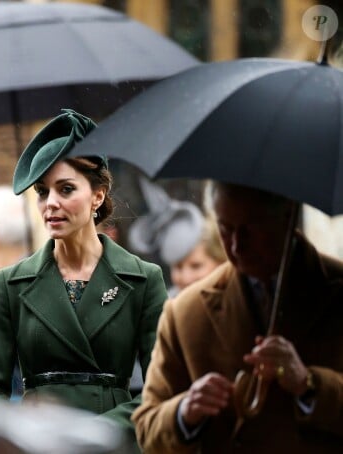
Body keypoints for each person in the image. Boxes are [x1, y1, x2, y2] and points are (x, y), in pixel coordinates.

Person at [0, 109, 168, 442]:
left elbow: (161, 388)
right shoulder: (11, 283)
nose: (51, 204)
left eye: (65, 189)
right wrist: (20, 431)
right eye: (43, 192)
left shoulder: (143, 279)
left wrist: (95, 433)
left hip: (112, 446)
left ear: (98, 196)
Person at [132, 182, 343, 453]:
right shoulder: (186, 311)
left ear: (287, 217)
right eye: (225, 228)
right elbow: (148, 430)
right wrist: (185, 412)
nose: (236, 245)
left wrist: (308, 384)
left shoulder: (335, 291)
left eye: (250, 229)